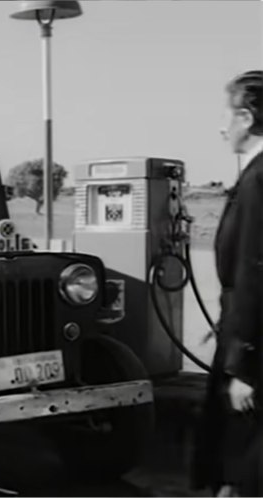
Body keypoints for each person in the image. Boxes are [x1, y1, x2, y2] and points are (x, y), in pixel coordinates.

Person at [192, 70, 263, 497]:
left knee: (241, 466)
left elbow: (254, 271)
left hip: (252, 357)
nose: (222, 128)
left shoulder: (257, 181)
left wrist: (244, 366)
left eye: (227, 116)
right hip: (244, 337)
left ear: (247, 117)